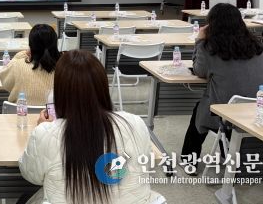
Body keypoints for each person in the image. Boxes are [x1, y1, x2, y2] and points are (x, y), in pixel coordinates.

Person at [18, 50, 164, 204]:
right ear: (103, 87)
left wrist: (43, 130)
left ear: (60, 91)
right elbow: (144, 164)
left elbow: (32, 176)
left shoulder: (46, 133)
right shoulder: (135, 123)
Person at [181, 3, 263, 168]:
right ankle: (225, 151)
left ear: (211, 24)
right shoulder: (256, 44)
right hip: (258, 108)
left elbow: (199, 71)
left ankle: (189, 161)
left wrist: (199, 40)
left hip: (225, 110)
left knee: (200, 110)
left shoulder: (210, 48)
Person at [0, 24, 60, 105]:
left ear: (31, 46)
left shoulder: (17, 65)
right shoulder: (65, 66)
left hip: (21, 112)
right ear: (55, 44)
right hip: (54, 113)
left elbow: (6, 84)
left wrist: (23, 54)